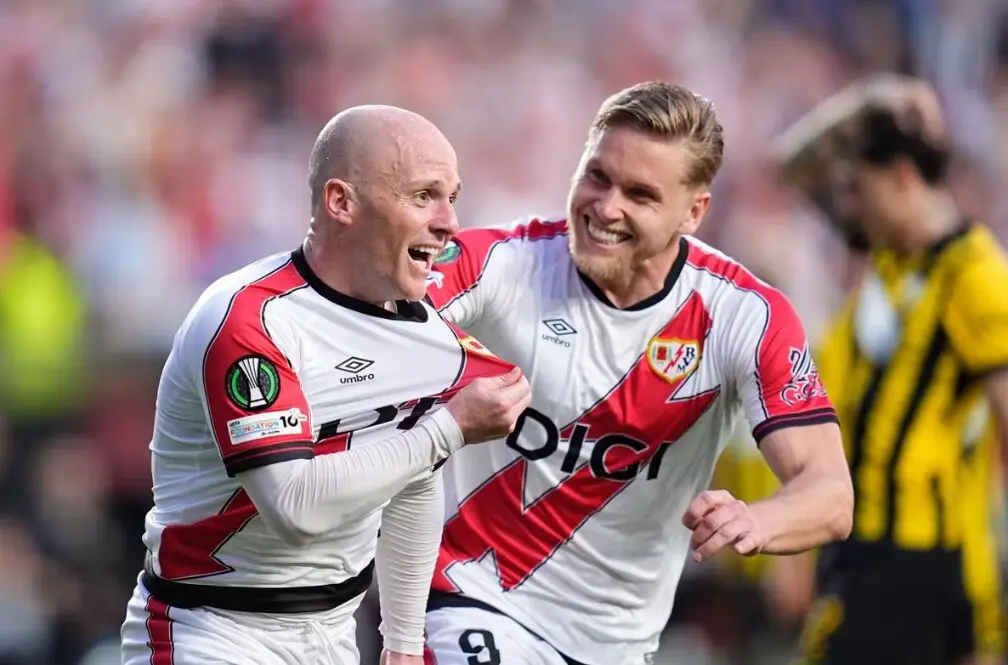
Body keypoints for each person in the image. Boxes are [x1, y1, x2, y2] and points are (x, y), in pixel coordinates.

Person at [420, 81, 855, 665]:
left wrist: (757, 519)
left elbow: (830, 493)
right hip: (472, 599)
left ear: (694, 211)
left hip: (617, 646)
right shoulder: (505, 263)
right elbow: (371, 316)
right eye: (597, 176)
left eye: (640, 194)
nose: (606, 207)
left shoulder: (743, 317)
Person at [119, 105, 532, 665]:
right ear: (341, 203)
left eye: (452, 197)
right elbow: (293, 509)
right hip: (211, 627)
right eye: (422, 196)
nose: (448, 222)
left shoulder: (425, 329)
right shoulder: (251, 321)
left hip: (334, 633)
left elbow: (412, 477)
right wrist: (448, 429)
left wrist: (404, 640)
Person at [772, 74, 1008, 665]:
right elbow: (792, 166)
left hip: (912, 556)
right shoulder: (890, 257)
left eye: (858, 187)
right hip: (872, 547)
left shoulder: (973, 273)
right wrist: (870, 103)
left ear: (901, 177)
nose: (846, 203)